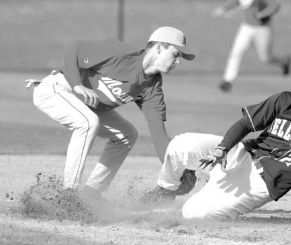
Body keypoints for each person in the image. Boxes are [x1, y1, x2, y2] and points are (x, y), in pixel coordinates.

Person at [26, 26, 195, 203]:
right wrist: (77, 85)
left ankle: (91, 195)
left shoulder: (152, 88)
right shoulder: (121, 53)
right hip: (57, 89)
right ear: (159, 47)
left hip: (87, 105)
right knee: (88, 122)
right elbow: (72, 48)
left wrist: (176, 170)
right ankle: (69, 193)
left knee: (127, 135)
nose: (178, 62)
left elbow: (159, 136)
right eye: (176, 54)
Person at [142, 67, 291, 219]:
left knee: (192, 213)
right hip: (240, 154)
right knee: (180, 145)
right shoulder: (287, 101)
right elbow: (245, 124)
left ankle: (213, 184)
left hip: (259, 184)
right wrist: (222, 148)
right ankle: (166, 191)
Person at [211, 0, 291, 92]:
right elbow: (236, 1)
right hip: (247, 28)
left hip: (263, 29)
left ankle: (284, 62)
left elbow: (275, 6)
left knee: (266, 58)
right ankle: (228, 81)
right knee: (236, 53)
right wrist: (223, 9)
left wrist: (263, 13)